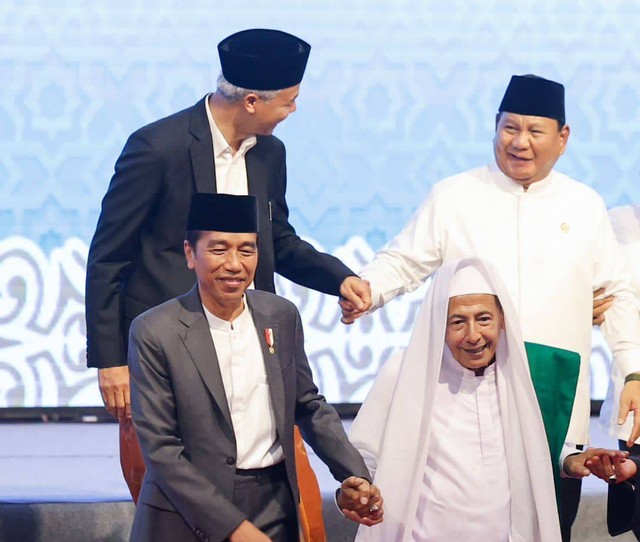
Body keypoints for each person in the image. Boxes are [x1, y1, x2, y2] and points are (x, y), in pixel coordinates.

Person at [85, 27, 367, 536]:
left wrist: (340, 279)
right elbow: (108, 256)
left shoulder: (268, 154)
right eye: (290, 101)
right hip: (170, 355)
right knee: (178, 506)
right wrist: (110, 360)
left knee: (292, 504)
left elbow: (276, 239)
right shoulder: (157, 147)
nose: (294, 111)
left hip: (252, 346)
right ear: (253, 101)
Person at [340, 74, 640, 540]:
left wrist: (634, 370)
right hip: (465, 393)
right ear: (494, 128)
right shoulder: (455, 195)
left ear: (563, 138)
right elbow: (404, 259)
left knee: (548, 517)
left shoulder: (584, 205)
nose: (519, 142)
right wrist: (367, 289)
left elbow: (617, 293)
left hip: (552, 387)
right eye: (509, 128)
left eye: (534, 131)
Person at [128, 193, 383, 542]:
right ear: (190, 253)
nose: (235, 264)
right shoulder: (156, 330)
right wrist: (234, 529)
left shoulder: (280, 315)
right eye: (219, 249)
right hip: (185, 517)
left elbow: (307, 404)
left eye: (247, 250)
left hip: (273, 507)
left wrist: (354, 475)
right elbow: (161, 450)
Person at [349, 258, 625, 541]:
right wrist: (351, 491)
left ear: (502, 320)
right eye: (457, 322)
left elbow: (536, 447)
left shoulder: (522, 371)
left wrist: (571, 460)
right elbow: (363, 458)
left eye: (483, 319)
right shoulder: (405, 371)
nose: (473, 335)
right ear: (437, 325)